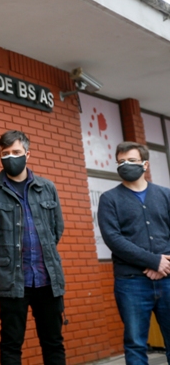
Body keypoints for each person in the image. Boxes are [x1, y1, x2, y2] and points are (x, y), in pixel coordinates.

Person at [0, 130, 66, 365]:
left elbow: (57, 229)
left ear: (27, 154)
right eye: (5, 154)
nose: (11, 157)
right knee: (11, 344)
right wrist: (3, 258)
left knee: (53, 342)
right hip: (12, 281)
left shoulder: (47, 187)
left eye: (16, 152)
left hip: (47, 279)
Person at [98, 142, 170, 364]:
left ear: (145, 164)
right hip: (131, 283)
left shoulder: (165, 195)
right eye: (121, 162)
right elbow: (114, 240)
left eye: (131, 160)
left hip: (168, 278)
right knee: (136, 344)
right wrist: (154, 261)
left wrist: (165, 264)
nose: (125, 165)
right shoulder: (109, 199)